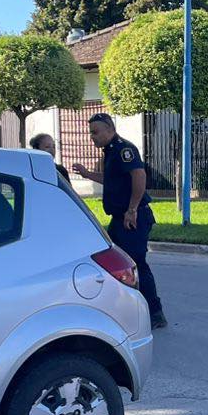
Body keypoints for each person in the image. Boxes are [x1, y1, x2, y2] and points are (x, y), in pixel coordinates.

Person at [72, 112, 165, 330]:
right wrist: (87, 174)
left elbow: (139, 175)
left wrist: (132, 209)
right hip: (120, 218)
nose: (92, 137)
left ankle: (155, 313)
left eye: (96, 132)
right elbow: (112, 179)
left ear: (110, 129)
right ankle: (122, 308)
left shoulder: (124, 149)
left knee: (136, 264)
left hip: (133, 218)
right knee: (111, 262)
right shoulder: (110, 151)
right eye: (91, 133)